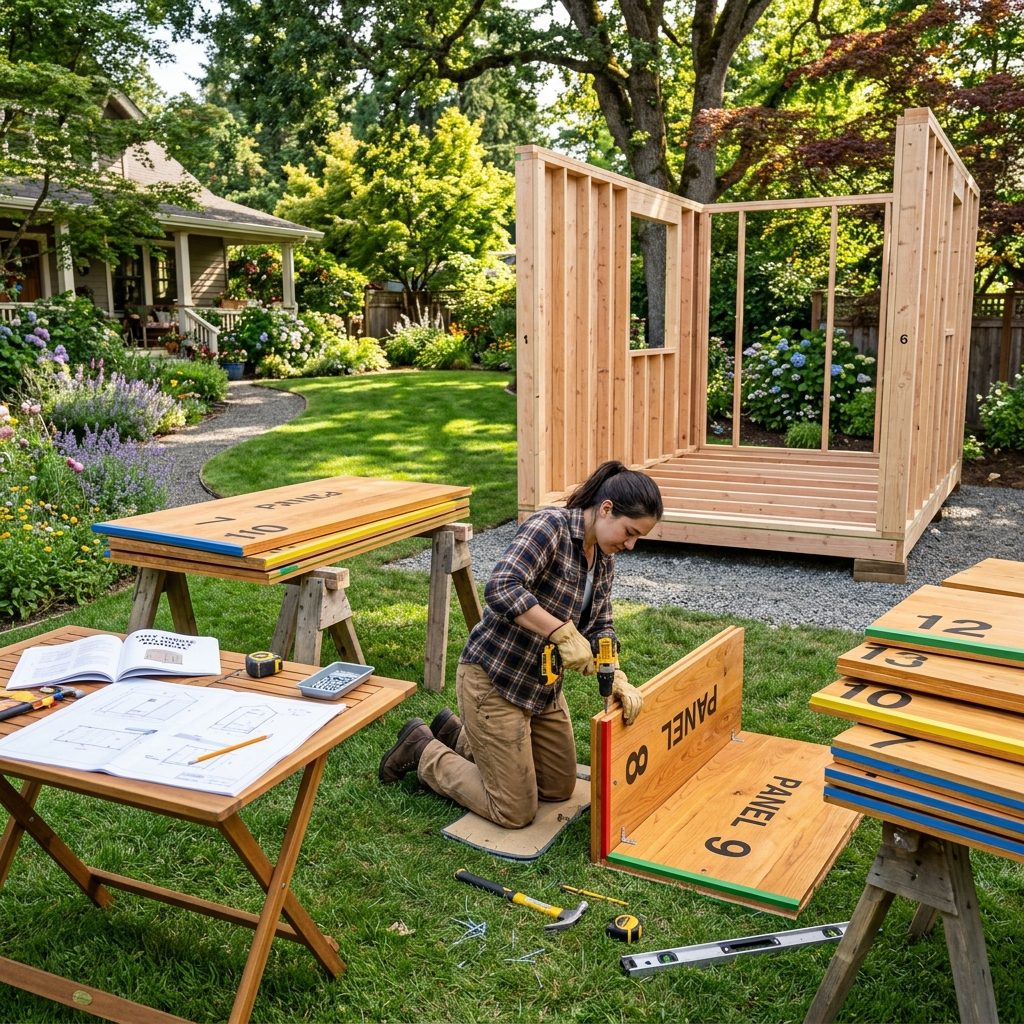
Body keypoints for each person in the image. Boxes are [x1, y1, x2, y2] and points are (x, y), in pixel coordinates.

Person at [378, 461, 663, 829]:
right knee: (515, 811)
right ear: (606, 509)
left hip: (542, 688)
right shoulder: (550, 528)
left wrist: (614, 671)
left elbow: (602, 623)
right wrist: (561, 632)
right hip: (494, 681)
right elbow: (501, 587)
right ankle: (422, 750)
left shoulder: (603, 558)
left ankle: (453, 732)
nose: (630, 544)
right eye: (630, 532)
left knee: (559, 787)